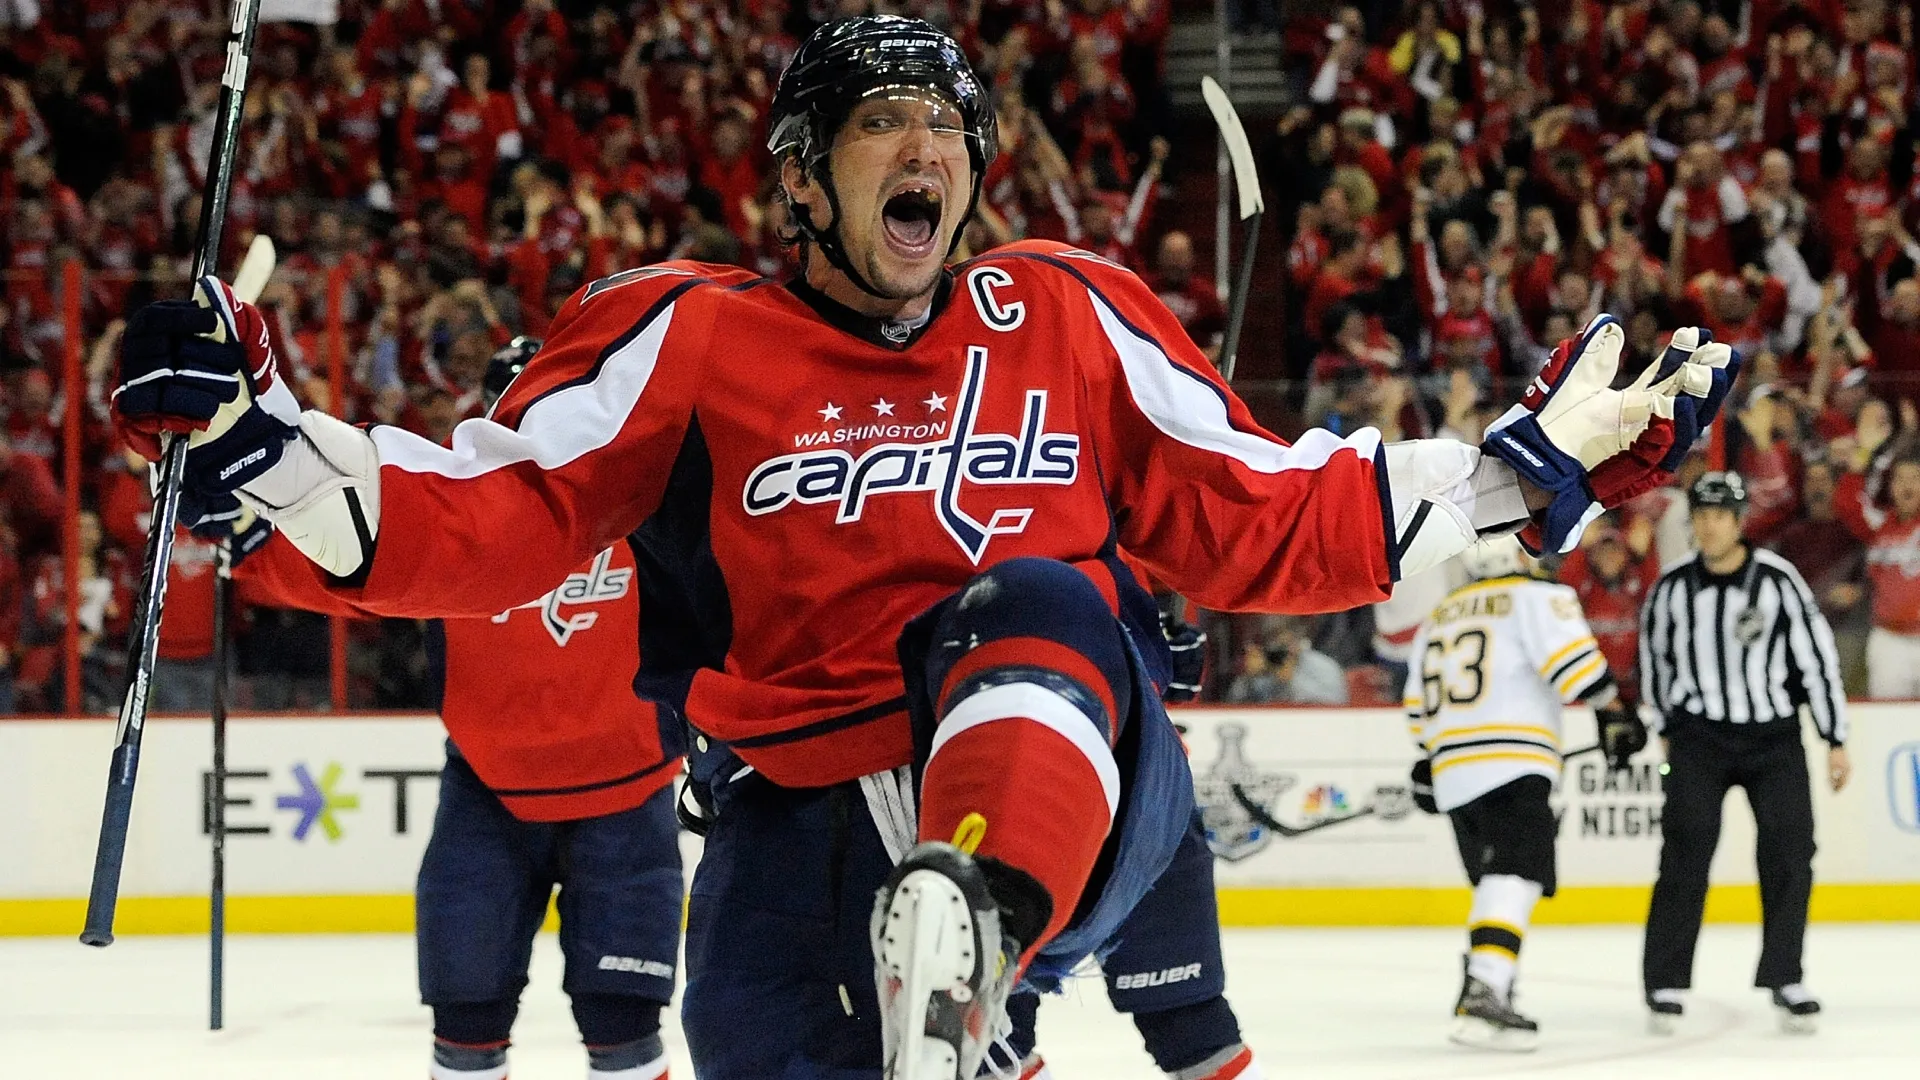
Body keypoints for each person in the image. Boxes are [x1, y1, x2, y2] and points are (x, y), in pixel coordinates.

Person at [112, 17, 1726, 1077]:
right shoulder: (688, 337)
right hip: (786, 837)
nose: (932, 150)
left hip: (1062, 767)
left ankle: (976, 939)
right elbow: (483, 510)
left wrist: (1530, 477)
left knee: (1022, 605)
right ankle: (945, 983)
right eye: (886, 122)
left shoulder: (1067, 307)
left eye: (950, 124)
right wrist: (258, 449)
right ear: (802, 178)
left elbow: (1271, 501)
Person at [232, 338, 685, 1080]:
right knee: (467, 1024)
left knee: (623, 1028)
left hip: (624, 794)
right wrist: (244, 535)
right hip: (491, 788)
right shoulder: (459, 513)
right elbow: (348, 568)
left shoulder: (653, 501)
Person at [1403, 535, 1640, 1051]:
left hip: (1454, 771)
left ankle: (1491, 984)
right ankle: (1485, 988)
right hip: (1512, 760)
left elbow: (1418, 711)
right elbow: (1577, 666)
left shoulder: (1441, 614)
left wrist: (1429, 761)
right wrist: (1614, 713)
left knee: (1496, 882)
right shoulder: (1535, 596)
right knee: (1519, 871)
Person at [1638, 471, 1849, 1035]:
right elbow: (1654, 660)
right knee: (1684, 854)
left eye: (1718, 516)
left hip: (1772, 738)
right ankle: (1665, 979)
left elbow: (1816, 660)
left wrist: (1834, 737)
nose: (1707, 526)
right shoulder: (1671, 588)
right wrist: (1663, 724)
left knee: (1789, 853)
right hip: (1698, 738)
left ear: (1739, 521)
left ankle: (1786, 975)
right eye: (1700, 516)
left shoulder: (1780, 582)